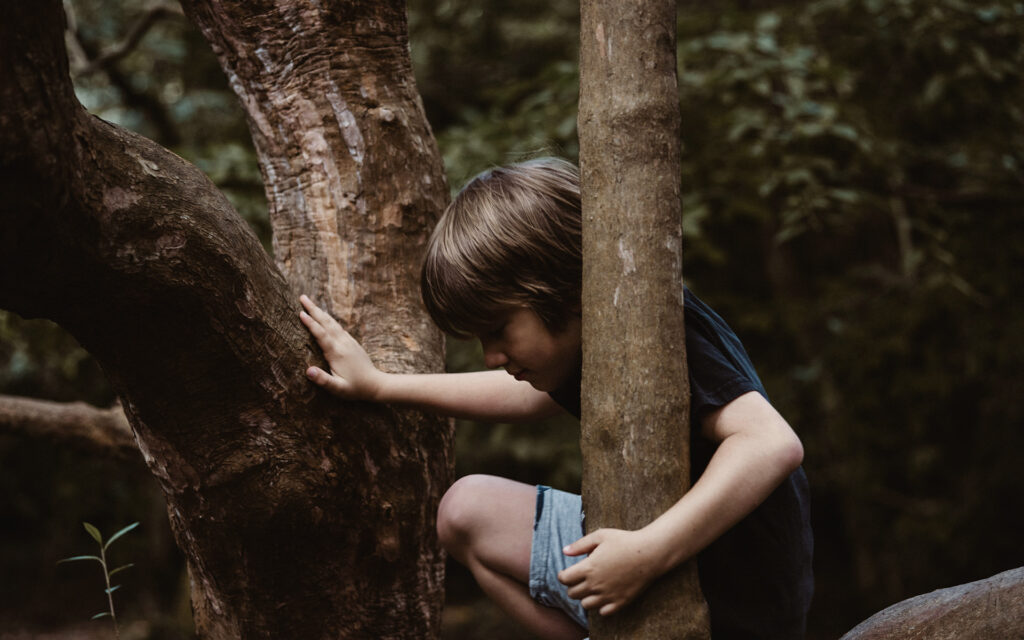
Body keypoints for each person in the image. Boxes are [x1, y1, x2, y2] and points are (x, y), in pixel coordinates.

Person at [298, 158, 813, 639]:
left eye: (499, 329)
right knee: (464, 512)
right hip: (647, 556)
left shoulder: (661, 329)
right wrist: (380, 386)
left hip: (736, 601)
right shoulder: (586, 342)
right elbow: (523, 398)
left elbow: (770, 443)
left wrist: (646, 553)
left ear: (562, 287)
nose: (492, 355)